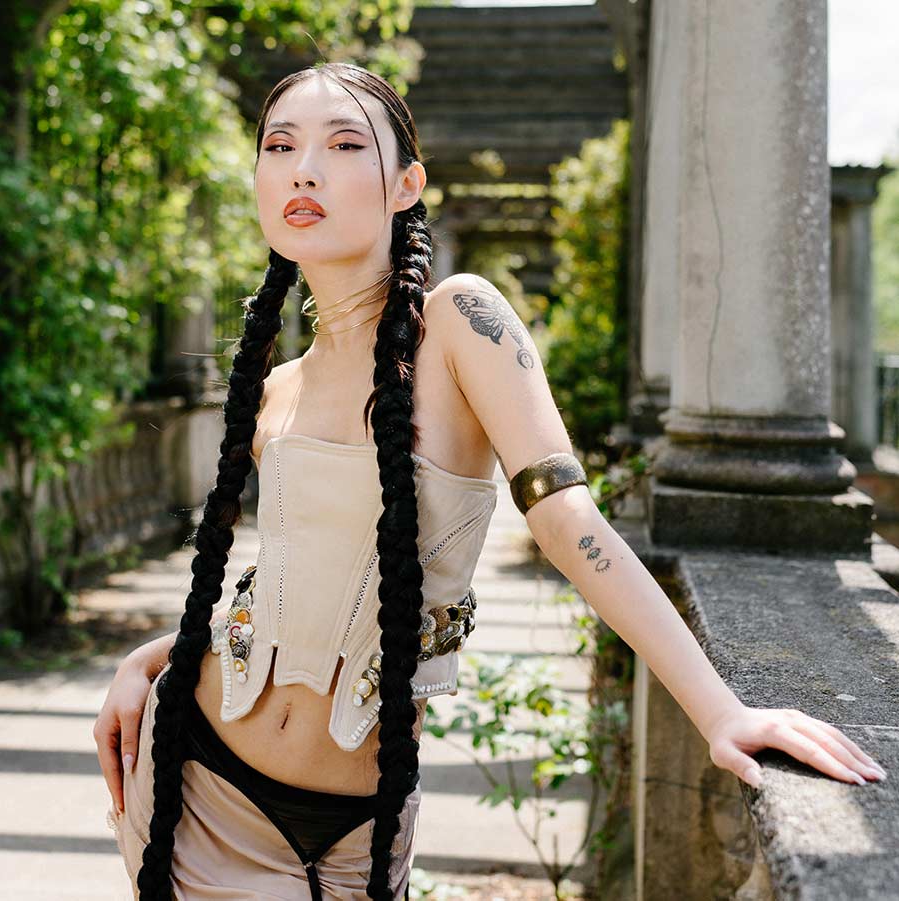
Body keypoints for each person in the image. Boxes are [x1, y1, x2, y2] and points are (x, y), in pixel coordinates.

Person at [93, 61, 887, 901]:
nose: (304, 170)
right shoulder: (276, 387)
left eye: (344, 144)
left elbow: (571, 524)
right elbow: (286, 585)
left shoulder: (460, 322)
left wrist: (721, 711)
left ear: (407, 184)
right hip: (196, 793)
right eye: (280, 146)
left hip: (361, 829)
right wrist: (154, 659)